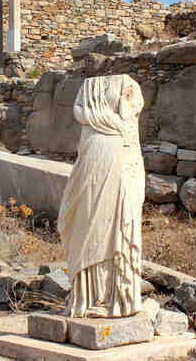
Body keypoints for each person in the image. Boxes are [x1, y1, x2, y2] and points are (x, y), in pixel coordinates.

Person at [57, 74, 145, 318]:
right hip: (94, 155)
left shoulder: (126, 84)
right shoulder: (89, 86)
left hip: (116, 156)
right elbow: (83, 111)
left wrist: (101, 119)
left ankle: (111, 298)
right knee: (85, 225)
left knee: (111, 225)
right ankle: (88, 297)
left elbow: (128, 116)